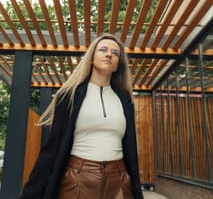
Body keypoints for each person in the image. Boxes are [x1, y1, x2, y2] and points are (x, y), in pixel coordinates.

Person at [19, 33, 144, 199]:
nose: (109, 54)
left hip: (119, 183)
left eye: (115, 53)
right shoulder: (68, 96)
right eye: (103, 50)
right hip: (77, 180)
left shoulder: (125, 100)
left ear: (118, 65)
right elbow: (52, 149)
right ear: (91, 57)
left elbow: (130, 151)